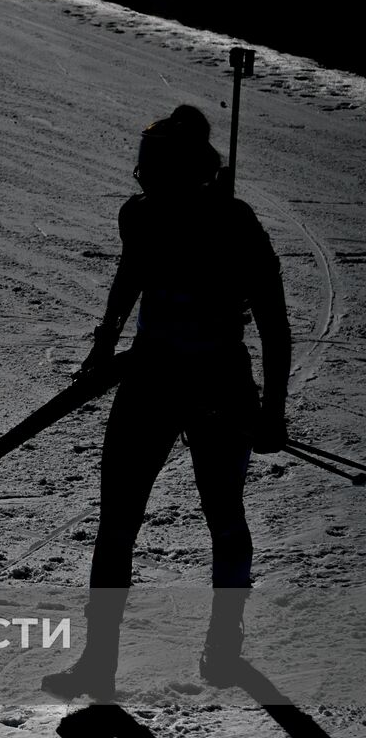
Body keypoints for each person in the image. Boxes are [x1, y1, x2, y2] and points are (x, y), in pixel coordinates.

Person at [43, 105, 291, 701]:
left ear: (192, 172)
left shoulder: (237, 224)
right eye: (148, 175)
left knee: (224, 517)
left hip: (219, 385)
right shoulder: (143, 216)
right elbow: (130, 276)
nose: (150, 184)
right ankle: (99, 662)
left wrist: (272, 412)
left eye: (160, 173)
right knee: (118, 523)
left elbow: (275, 324)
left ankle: (224, 642)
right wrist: (103, 345)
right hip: (151, 377)